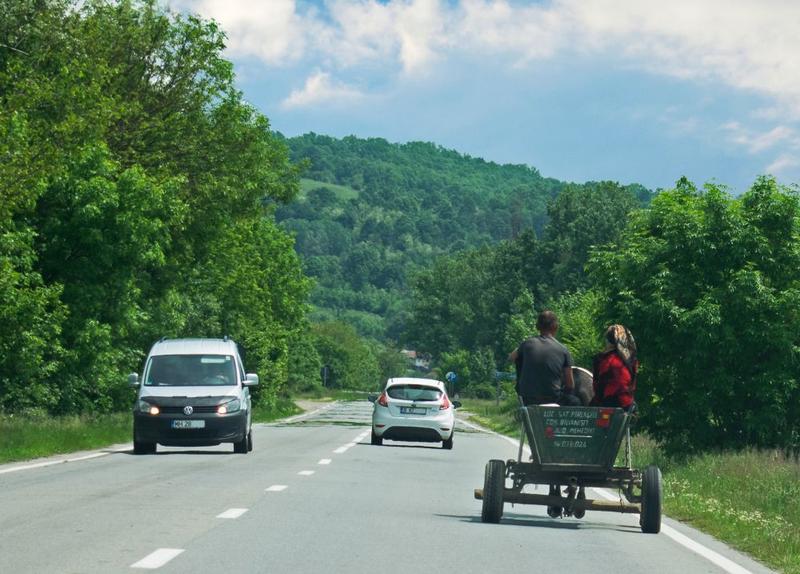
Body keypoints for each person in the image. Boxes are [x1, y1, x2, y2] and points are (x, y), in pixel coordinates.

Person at [508, 310, 581, 407]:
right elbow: (570, 384)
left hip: (528, 398)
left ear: (537, 327)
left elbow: (511, 358)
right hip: (553, 398)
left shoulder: (527, 344)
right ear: (556, 327)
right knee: (575, 401)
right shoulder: (563, 350)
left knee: (519, 359)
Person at [591, 324, 638, 411]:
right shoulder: (632, 359)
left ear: (608, 341)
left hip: (609, 404)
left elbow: (598, 386)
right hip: (628, 405)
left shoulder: (603, 359)